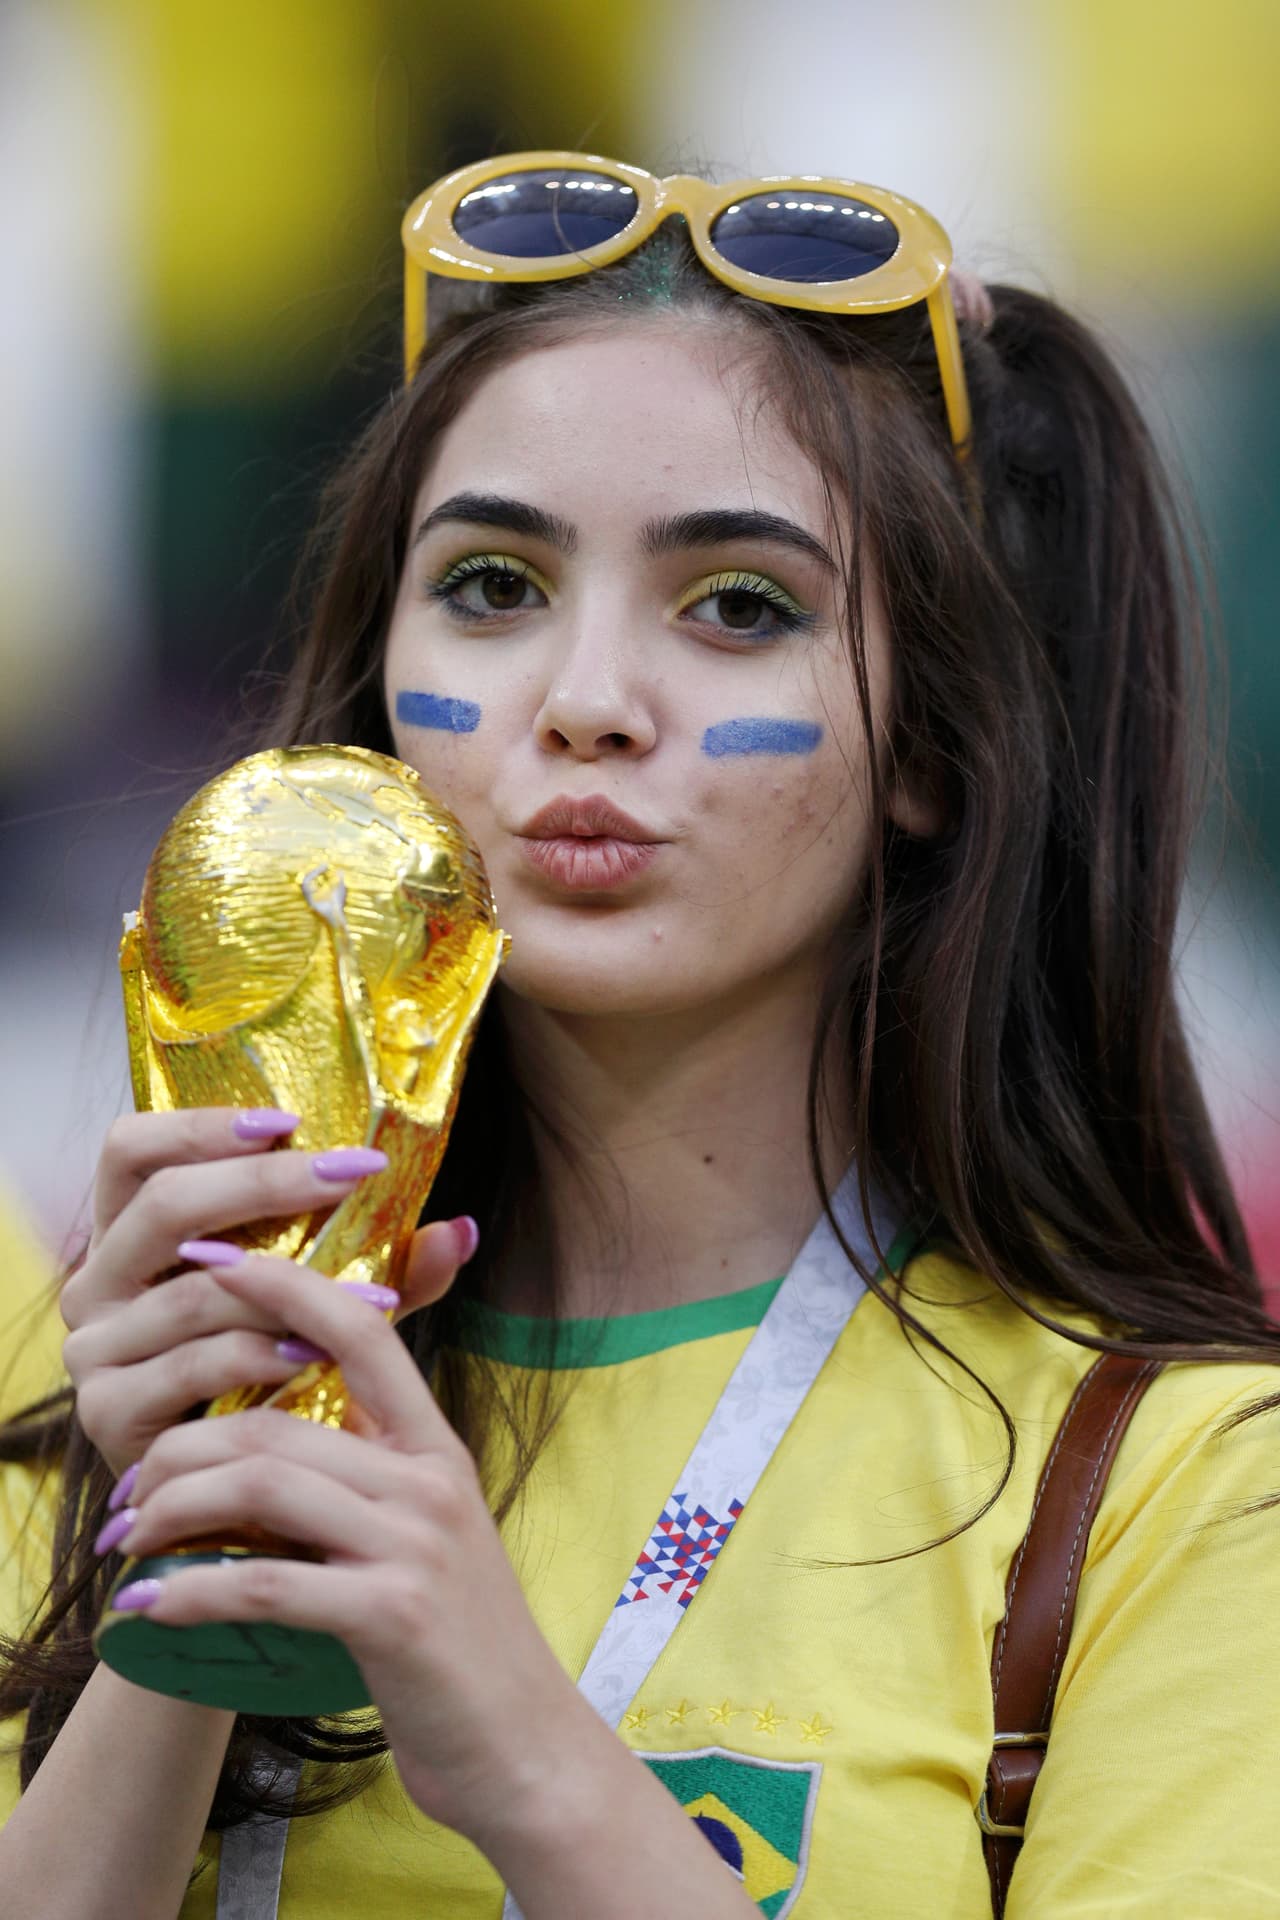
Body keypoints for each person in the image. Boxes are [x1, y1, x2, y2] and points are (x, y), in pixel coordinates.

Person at [1, 155, 1278, 1920]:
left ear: (929, 749)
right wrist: (189, 1560)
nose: (585, 701)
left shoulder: (1182, 1481)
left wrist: (521, 1750)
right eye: (494, 587)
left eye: (739, 607)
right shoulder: (90, 1367)